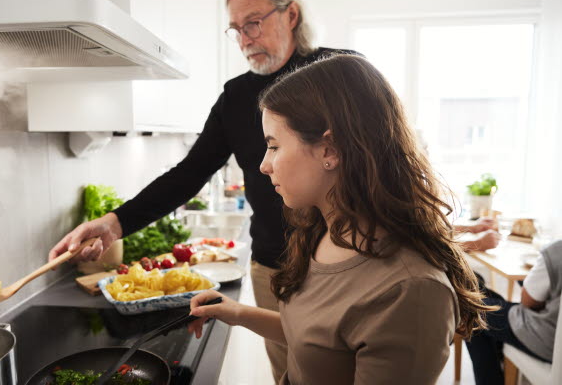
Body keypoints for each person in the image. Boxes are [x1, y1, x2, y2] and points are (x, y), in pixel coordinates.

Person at [48, 0, 359, 381]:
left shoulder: (339, 73)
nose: (244, 39)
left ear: (291, 14)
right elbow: (188, 174)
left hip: (344, 260)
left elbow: (381, 159)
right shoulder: (235, 97)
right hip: (274, 266)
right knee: (292, 374)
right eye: (236, 29)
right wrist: (113, 223)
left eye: (254, 23)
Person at [187, 54, 494, 385]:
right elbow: (320, 344)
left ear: (329, 150)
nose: (264, 165)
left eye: (274, 146)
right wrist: (238, 313)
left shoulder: (410, 291)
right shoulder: (323, 231)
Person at [465, 240, 562, 385]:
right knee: (489, 298)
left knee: (471, 310)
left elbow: (528, 302)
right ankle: (502, 359)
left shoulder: (556, 251)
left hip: (550, 342)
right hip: (554, 334)